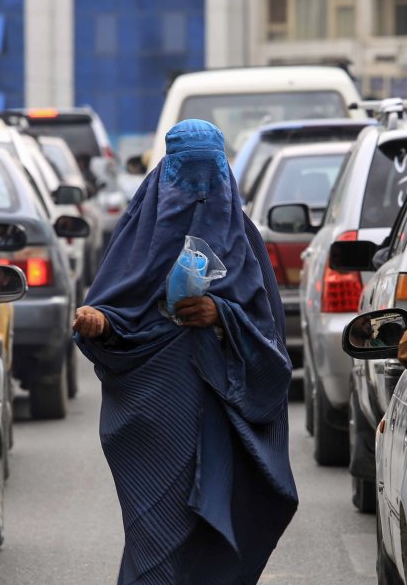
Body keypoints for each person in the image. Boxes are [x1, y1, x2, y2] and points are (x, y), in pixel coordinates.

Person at [72, 119, 298, 585]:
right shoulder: (137, 237)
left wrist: (221, 315)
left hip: (226, 414)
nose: (198, 191)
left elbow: (269, 337)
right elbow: (117, 308)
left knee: (222, 528)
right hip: (153, 415)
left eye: (208, 176)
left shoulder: (245, 242)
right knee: (154, 536)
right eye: (185, 175)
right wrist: (101, 323)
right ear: (162, 174)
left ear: (225, 174)